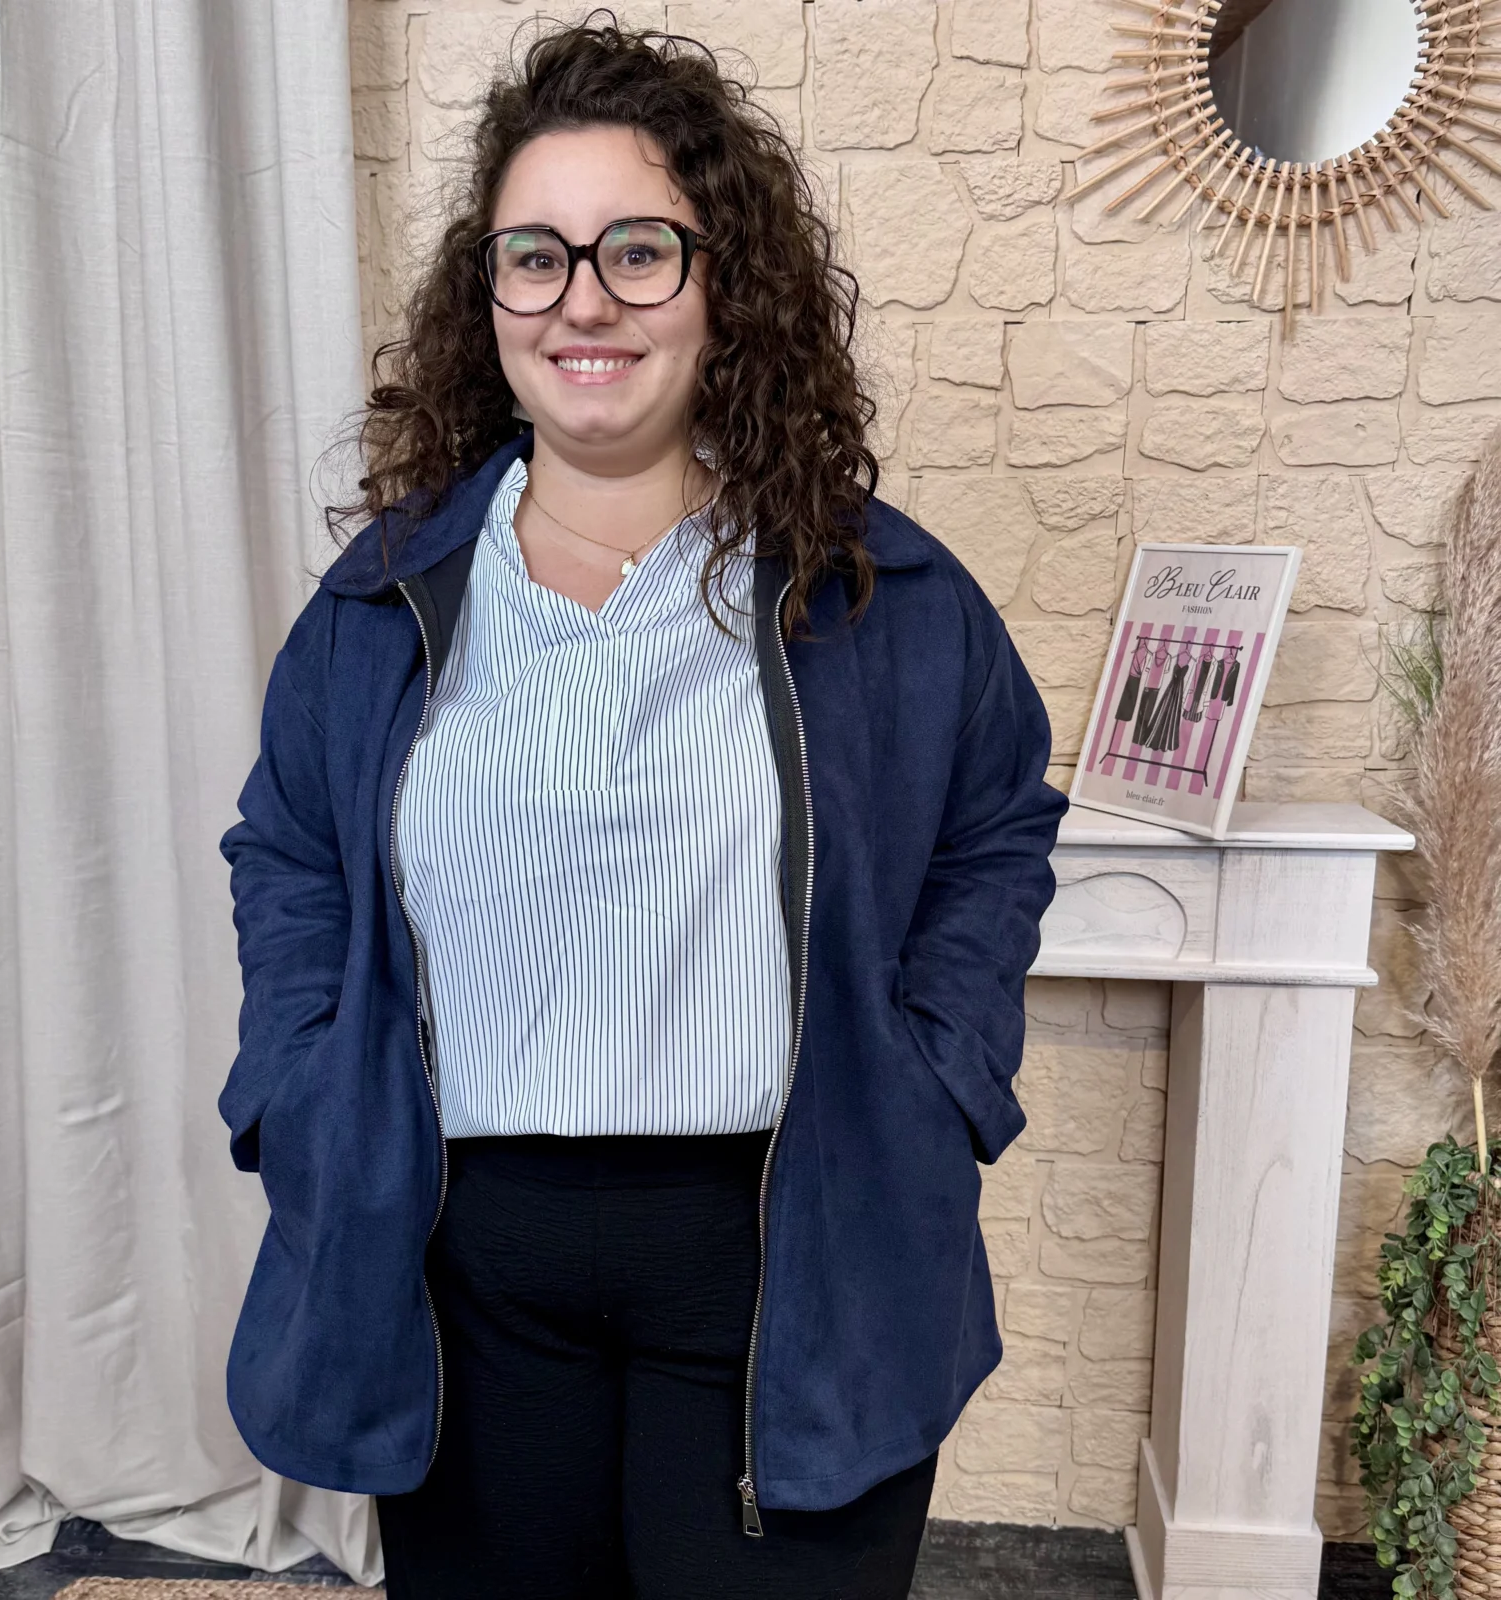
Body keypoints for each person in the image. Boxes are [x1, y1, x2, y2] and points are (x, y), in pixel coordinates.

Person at [218, 19, 1067, 1600]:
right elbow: (287, 853)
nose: (584, 300)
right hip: (459, 1270)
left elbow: (996, 825)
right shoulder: (382, 602)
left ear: (725, 284)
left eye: (639, 250)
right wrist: (297, 1079)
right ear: (487, 294)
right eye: (535, 256)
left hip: (789, 1259)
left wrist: (944, 1071)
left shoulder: (878, 594)